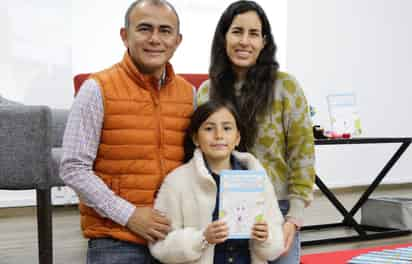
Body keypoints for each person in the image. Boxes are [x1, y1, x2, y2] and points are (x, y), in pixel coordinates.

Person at [60, 0, 195, 263]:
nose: (155, 39)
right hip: (116, 237)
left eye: (165, 31)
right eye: (145, 28)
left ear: (177, 40)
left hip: (175, 236)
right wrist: (130, 215)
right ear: (125, 36)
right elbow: (73, 167)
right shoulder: (97, 89)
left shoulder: (188, 94)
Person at [196, 1, 316, 263]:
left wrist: (293, 220)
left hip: (278, 211)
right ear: (224, 37)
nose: (245, 41)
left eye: (253, 34)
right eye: (237, 31)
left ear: (264, 42)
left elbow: (303, 155)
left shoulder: (286, 86)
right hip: (223, 213)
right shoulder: (207, 91)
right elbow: (198, 157)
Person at [149, 100, 284, 263]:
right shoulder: (176, 182)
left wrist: (266, 238)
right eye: (209, 128)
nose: (219, 135)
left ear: (237, 138)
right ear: (195, 138)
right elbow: (160, 245)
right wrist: (202, 238)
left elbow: (276, 243)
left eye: (227, 128)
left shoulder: (256, 177)